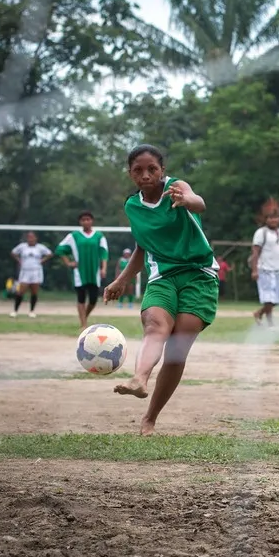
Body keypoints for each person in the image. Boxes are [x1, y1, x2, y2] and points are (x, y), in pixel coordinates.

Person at [104, 144, 219, 436]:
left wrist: (186, 199)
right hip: (162, 277)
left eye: (152, 169)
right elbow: (143, 246)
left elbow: (199, 203)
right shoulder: (132, 206)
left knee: (177, 349)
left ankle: (150, 418)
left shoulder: (175, 188)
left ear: (162, 170)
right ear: (130, 174)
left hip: (199, 275)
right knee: (155, 325)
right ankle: (139, 379)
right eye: (138, 170)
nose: (145, 175)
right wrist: (122, 280)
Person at [55, 211, 109, 330]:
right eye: (83, 220)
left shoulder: (99, 236)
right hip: (79, 273)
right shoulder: (74, 236)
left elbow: (104, 252)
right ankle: (83, 324)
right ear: (80, 222)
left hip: (94, 273)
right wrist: (68, 262)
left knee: (93, 299)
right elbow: (60, 249)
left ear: (92, 221)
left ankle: (84, 317)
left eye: (88, 219)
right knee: (81, 298)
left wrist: (103, 268)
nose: (86, 222)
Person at [250, 198, 279, 328]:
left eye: (275, 217)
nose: (273, 220)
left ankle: (259, 313)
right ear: (265, 219)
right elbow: (255, 253)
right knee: (269, 299)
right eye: (270, 218)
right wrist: (254, 270)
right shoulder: (261, 233)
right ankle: (270, 323)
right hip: (265, 270)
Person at [10, 231, 53, 318]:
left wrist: (42, 261)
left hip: (36, 271)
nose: (30, 239)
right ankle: (15, 311)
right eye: (29, 237)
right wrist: (19, 260)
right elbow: (13, 252)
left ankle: (31, 311)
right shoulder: (22, 246)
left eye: (32, 237)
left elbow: (50, 254)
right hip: (25, 271)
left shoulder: (40, 247)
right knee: (21, 291)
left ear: (36, 238)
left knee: (34, 291)